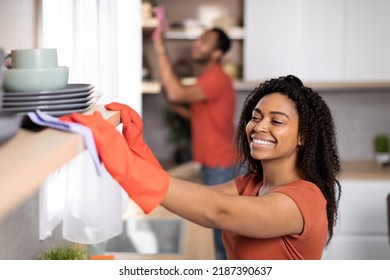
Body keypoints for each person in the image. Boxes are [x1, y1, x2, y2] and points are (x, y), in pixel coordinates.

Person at [61, 75, 342, 260]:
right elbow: (195, 199)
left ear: (303, 136)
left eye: (277, 121)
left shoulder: (301, 201)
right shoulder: (253, 184)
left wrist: (116, 152)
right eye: (256, 116)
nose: (260, 126)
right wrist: (135, 147)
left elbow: (216, 212)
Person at [152, 26, 238, 259]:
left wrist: (160, 47)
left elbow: (177, 93)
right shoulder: (210, 79)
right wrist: (176, 104)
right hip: (219, 164)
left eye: (204, 41)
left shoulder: (215, 78)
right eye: (198, 39)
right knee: (222, 235)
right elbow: (201, 117)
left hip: (221, 166)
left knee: (221, 238)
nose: (196, 44)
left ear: (217, 54)